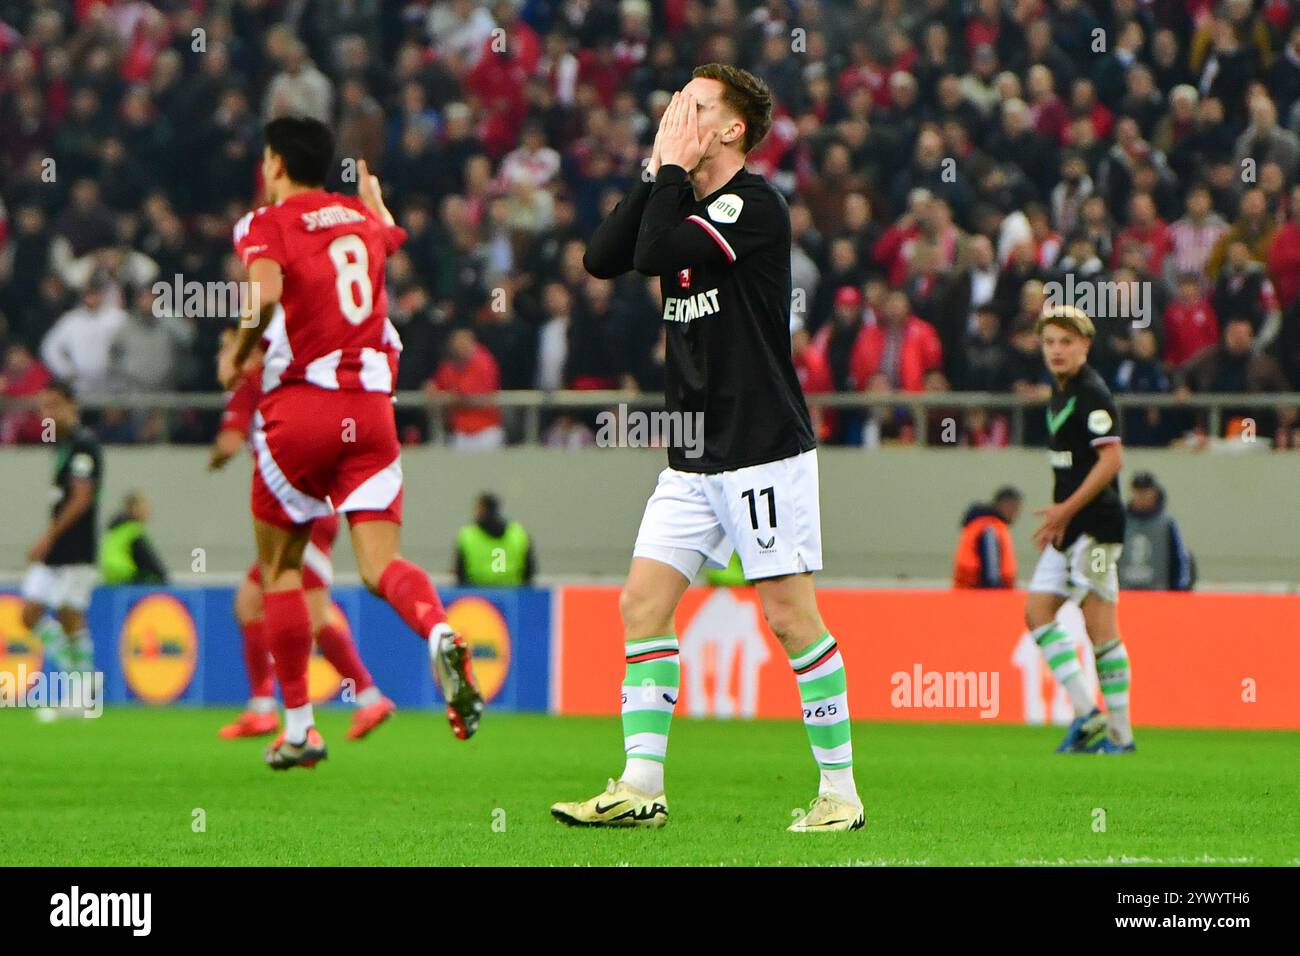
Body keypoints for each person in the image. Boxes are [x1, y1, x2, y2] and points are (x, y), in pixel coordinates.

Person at [551, 66, 864, 833]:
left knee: (791, 621)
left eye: (695, 107)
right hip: (692, 451)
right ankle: (640, 785)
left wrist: (667, 173)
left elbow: (654, 251)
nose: (675, 114)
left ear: (732, 130)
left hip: (759, 445)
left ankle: (840, 793)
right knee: (641, 604)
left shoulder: (753, 207)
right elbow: (602, 257)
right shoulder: (683, 199)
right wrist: (659, 170)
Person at [217, 116, 482, 770]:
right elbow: (390, 233)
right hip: (372, 415)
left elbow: (269, 294)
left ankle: (301, 724)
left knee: (280, 570)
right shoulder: (359, 223)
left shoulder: (264, 224)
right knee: (377, 567)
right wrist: (376, 204)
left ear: (274, 162)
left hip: (301, 412)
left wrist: (239, 352)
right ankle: (439, 629)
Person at [210, 328, 396, 742]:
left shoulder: (254, 382)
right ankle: (263, 706)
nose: (223, 354)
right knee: (252, 602)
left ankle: (357, 701)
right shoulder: (295, 374)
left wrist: (217, 456)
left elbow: (229, 440)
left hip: (299, 507)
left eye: (226, 346)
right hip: (316, 502)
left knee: (308, 615)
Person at [1024, 304, 1135, 755]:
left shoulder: (1093, 394)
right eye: (1049, 342)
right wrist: (1061, 518)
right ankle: (1087, 711)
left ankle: (1121, 735)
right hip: (1068, 527)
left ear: (1085, 345)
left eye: (1066, 342)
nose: (1056, 350)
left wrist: (1063, 510)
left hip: (1096, 527)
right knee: (1037, 612)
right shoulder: (1061, 391)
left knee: (1100, 627)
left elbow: (1112, 459)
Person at [19, 381, 102, 690]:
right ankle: (81, 679)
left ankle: (82, 688)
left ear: (72, 406)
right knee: (29, 614)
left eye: (54, 406)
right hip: (58, 548)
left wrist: (48, 537)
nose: (47, 414)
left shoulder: (84, 444)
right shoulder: (63, 444)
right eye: (43, 407)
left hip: (76, 546)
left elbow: (82, 499)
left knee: (69, 612)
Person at [1117, 472, 1195, 591]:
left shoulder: (1167, 524)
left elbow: (1178, 559)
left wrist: (1179, 590)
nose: (1141, 496)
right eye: (1137, 492)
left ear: (1154, 493)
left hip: (1158, 594)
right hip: (1125, 593)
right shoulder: (1121, 522)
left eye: (1145, 491)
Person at [454, 493, 536, 586]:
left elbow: (460, 573)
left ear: (482, 509)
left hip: (478, 595)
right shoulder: (519, 534)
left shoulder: (467, 536)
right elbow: (529, 571)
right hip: (513, 593)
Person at [952, 487, 1022, 589]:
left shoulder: (981, 525)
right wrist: (995, 596)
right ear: (1002, 504)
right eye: (1013, 507)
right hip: (979, 596)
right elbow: (991, 572)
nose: (1015, 513)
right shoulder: (989, 529)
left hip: (968, 595)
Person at [98, 491, 168, 584]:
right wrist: (162, 575)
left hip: (110, 578)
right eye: (145, 508)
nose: (149, 512)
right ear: (134, 509)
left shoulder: (114, 529)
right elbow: (147, 558)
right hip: (128, 577)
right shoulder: (133, 531)